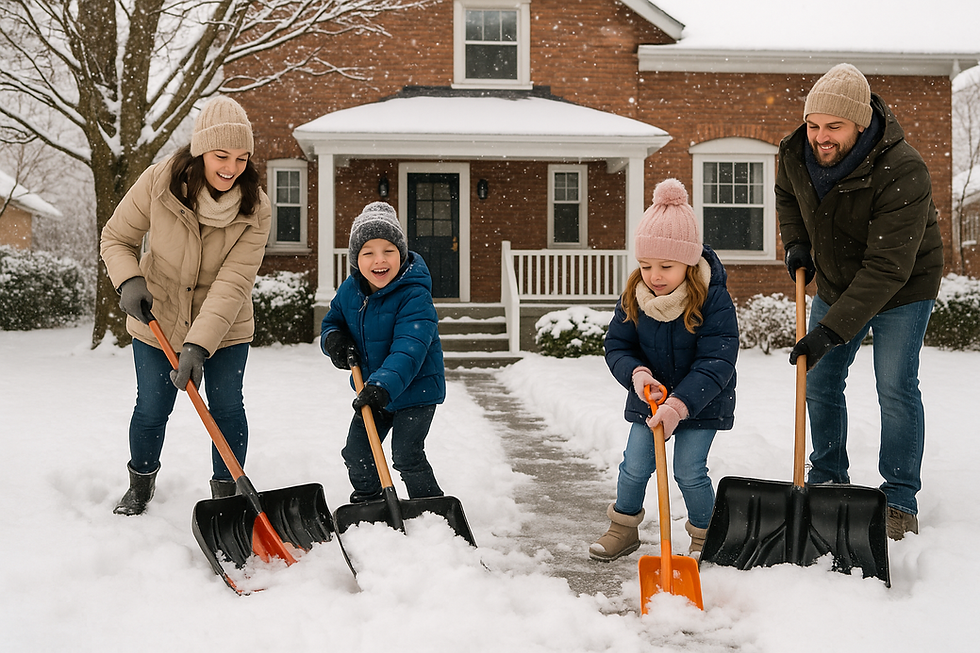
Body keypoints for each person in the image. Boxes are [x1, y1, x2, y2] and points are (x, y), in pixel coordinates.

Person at [776, 63, 944, 540]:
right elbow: (787, 196)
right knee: (819, 381)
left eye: (834, 127)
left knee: (894, 385)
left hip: (902, 285)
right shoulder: (796, 153)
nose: (820, 137)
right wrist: (796, 246)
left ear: (862, 123)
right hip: (834, 278)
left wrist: (830, 331)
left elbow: (888, 267)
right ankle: (828, 479)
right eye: (813, 125)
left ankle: (899, 499)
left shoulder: (903, 168)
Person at [101, 96, 271, 515]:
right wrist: (129, 278)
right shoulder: (159, 183)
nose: (231, 167)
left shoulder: (257, 208)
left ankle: (226, 499)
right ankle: (140, 484)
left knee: (227, 408)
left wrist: (198, 344)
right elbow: (115, 237)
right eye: (221, 155)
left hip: (225, 326)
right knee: (152, 407)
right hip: (156, 317)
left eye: (242, 158)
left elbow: (233, 283)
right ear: (199, 150)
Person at [591, 178, 738, 562]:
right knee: (635, 466)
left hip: (700, 403)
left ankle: (705, 536)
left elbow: (717, 361)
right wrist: (638, 375)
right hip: (650, 399)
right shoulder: (635, 297)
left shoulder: (713, 299)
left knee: (689, 471)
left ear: (688, 262)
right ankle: (622, 528)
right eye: (645, 265)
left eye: (666, 266)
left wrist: (679, 405)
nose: (654, 275)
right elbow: (617, 345)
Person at [321, 201, 447, 503]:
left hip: (416, 392)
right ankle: (369, 502)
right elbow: (332, 321)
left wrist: (382, 385)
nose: (380, 261)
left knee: (406, 455)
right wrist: (334, 340)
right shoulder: (350, 291)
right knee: (356, 453)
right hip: (373, 391)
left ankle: (430, 508)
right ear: (356, 259)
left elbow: (409, 349)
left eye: (388, 250)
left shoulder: (415, 295)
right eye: (368, 253)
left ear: (401, 254)